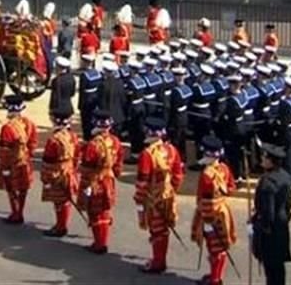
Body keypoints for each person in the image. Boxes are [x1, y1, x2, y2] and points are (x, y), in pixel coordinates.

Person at [134, 116, 185, 274]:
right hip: (168, 195)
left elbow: (143, 180)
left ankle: (158, 262)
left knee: (156, 230)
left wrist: (139, 200)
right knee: (163, 229)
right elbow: (178, 175)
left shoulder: (147, 154)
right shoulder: (172, 150)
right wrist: (171, 189)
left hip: (153, 196)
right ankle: (160, 259)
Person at [191, 134, 237, 285]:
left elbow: (205, 200)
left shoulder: (207, 174)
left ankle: (215, 279)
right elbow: (231, 188)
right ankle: (215, 275)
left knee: (214, 247)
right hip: (223, 211)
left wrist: (207, 219)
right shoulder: (224, 168)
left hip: (210, 213)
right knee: (220, 244)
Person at [78, 108, 123, 254]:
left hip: (95, 181)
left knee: (95, 212)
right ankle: (103, 241)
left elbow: (87, 166)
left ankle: (99, 243)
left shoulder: (93, 144)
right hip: (108, 179)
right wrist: (115, 173)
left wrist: (84, 183)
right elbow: (118, 163)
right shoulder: (115, 141)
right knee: (105, 211)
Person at [250, 143, 291, 285]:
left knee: (271, 269)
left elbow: (268, 211)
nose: (262, 158)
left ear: (271, 161)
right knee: (279, 267)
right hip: (282, 224)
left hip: (270, 231)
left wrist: (258, 223)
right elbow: (288, 203)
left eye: (264, 156)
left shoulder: (267, 182)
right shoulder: (285, 176)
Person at [0, 94, 38, 224]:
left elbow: (5, 150)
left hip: (12, 162)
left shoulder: (7, 127)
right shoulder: (29, 123)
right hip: (25, 160)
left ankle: (16, 213)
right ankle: (20, 211)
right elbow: (33, 142)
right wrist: (28, 155)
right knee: (23, 188)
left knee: (12, 188)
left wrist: (5, 167)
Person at [41, 105, 79, 237]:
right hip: (69, 170)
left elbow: (48, 160)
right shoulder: (73, 136)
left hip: (56, 171)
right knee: (66, 199)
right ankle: (62, 224)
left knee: (58, 201)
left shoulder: (54, 139)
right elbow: (77, 155)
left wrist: (45, 177)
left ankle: (60, 226)